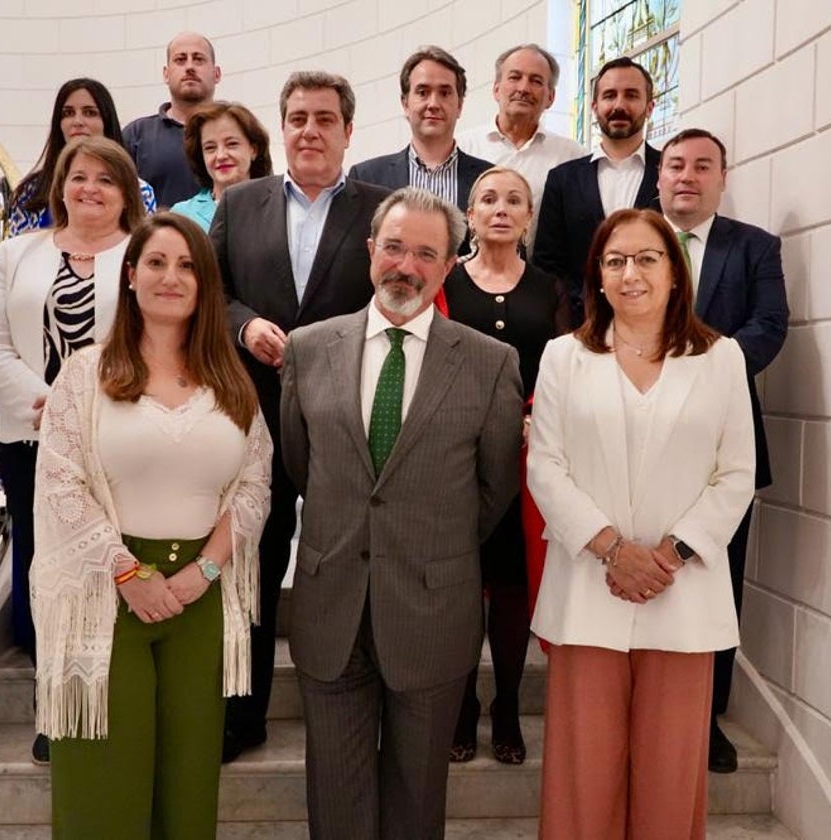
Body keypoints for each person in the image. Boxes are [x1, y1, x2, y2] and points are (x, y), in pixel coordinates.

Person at [280, 187, 523, 839]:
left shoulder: (491, 364)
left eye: (425, 253)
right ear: (369, 253)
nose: (405, 266)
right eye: (393, 247)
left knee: (417, 801)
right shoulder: (307, 351)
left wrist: (426, 542)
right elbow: (304, 468)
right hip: (331, 606)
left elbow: (494, 488)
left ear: (448, 266)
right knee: (335, 799)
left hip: (431, 609)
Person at [30, 212, 272, 838]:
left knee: (190, 777)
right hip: (106, 592)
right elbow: (60, 480)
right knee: (104, 777)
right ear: (131, 276)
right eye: (158, 263)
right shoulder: (86, 374)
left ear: (205, 285)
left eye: (188, 265)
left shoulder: (230, 380)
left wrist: (206, 571)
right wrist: (128, 572)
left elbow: (253, 484)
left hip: (200, 593)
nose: (172, 277)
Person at [528, 207, 755, 839]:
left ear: (676, 274)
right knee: (582, 775)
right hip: (588, 592)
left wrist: (668, 555)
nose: (631, 273)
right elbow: (545, 465)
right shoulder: (562, 358)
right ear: (597, 278)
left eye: (648, 259)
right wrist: (610, 549)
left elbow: (736, 474)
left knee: (669, 773)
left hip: (680, 594)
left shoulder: (722, 359)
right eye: (615, 260)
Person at [210, 70, 392, 763]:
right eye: (297, 118)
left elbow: (395, 298)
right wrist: (246, 323)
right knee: (251, 563)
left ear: (348, 131)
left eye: (324, 118)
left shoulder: (380, 209)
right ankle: (241, 714)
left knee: (349, 565)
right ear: (280, 129)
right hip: (254, 418)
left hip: (350, 418)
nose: (309, 130)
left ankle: (350, 705)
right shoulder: (242, 202)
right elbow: (214, 294)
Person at [0, 135, 146, 764]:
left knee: (112, 569)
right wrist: (44, 401)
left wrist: (89, 407)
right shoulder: (17, 253)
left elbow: (157, 335)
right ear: (60, 187)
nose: (90, 188)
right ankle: (58, 707)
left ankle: (115, 699)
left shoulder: (142, 254)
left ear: (126, 192)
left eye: (105, 178)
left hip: (119, 439)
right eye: (78, 177)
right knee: (49, 574)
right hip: (33, 438)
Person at [657, 128, 789, 773]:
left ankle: (706, 718)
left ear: (722, 176)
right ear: (658, 176)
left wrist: (701, 368)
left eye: (702, 166)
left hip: (723, 440)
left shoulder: (755, 247)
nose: (687, 175)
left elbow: (769, 327)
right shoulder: (633, 240)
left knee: (718, 581)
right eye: (676, 164)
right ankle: (645, 712)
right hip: (638, 439)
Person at [442, 166, 561, 765]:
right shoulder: (445, 284)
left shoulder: (551, 290)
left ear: (529, 217)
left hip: (526, 460)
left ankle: (507, 705)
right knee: (461, 585)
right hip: (454, 459)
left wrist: (536, 416)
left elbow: (566, 371)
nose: (500, 208)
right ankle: (462, 703)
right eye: (487, 198)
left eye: (515, 200)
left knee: (512, 587)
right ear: (468, 213)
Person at [533, 56, 661, 328]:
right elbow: (549, 264)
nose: (619, 105)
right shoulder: (563, 179)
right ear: (594, 107)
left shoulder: (669, 173)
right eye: (609, 96)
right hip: (582, 326)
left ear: (650, 107)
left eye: (631, 95)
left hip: (655, 325)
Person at [348, 45, 492, 251]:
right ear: (405, 104)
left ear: (459, 105)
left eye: (444, 93)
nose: (433, 103)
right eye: (423, 92)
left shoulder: (487, 179)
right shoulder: (366, 176)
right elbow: (356, 256)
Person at [457, 44, 586, 252]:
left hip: (542, 280)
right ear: (496, 89)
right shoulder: (463, 147)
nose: (524, 88)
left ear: (551, 97)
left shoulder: (573, 157)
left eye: (536, 81)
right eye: (515, 77)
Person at [8, 78, 156, 236]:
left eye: (90, 113)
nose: (77, 121)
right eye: (68, 113)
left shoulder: (141, 192)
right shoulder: (31, 192)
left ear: (106, 121)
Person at [122, 32, 221, 207]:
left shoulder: (238, 133)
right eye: (180, 60)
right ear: (166, 74)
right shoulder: (136, 135)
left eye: (198, 59)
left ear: (216, 74)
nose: (190, 67)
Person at [170, 101, 273, 231]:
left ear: (253, 149)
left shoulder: (277, 207)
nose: (221, 156)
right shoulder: (182, 216)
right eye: (210, 148)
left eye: (231, 144)